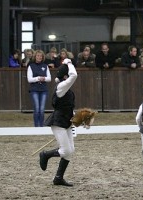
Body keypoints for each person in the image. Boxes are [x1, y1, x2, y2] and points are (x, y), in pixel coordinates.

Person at [40, 58, 78, 186]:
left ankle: (58, 178)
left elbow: (68, 106)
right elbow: (74, 75)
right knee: (66, 150)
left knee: (70, 150)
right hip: (58, 123)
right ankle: (46, 154)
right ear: (65, 76)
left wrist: (76, 117)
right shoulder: (61, 86)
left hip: (66, 122)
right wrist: (69, 63)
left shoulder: (67, 90)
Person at [27, 50, 51, 127]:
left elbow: (49, 78)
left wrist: (43, 79)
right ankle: (36, 126)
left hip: (43, 89)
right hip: (34, 89)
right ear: (35, 56)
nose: (39, 57)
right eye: (38, 56)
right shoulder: (31, 66)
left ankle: (41, 126)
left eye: (41, 56)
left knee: (42, 109)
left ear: (42, 57)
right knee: (37, 108)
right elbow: (29, 79)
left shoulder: (45, 66)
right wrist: (38, 78)